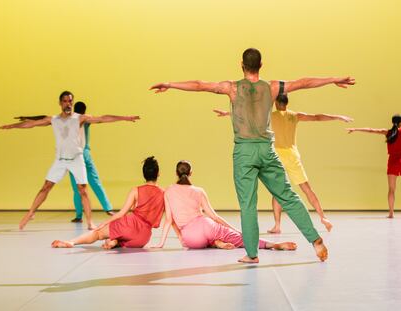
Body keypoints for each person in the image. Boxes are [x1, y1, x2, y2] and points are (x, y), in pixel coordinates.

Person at [150, 48, 355, 263]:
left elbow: (200, 85)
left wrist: (170, 84)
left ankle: (252, 254)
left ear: (241, 65)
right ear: (261, 65)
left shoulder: (232, 88)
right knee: (288, 196)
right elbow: (303, 82)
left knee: (248, 204)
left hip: (245, 152)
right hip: (267, 149)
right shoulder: (272, 87)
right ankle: (315, 240)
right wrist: (333, 79)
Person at [0, 91, 140, 230]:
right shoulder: (53, 119)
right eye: (65, 101)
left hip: (76, 159)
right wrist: (12, 126)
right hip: (60, 160)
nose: (68, 104)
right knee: (46, 187)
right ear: (60, 103)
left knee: (83, 190)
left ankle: (90, 222)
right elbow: (31, 124)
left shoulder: (80, 118)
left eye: (70, 101)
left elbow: (103, 118)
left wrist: (124, 118)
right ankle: (30, 213)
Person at [213, 93, 353, 234]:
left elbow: (248, 116)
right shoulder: (294, 115)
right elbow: (316, 117)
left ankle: (277, 225)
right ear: (287, 103)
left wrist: (227, 113)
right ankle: (323, 218)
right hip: (292, 156)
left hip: (277, 155)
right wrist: (338, 117)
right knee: (306, 188)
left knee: (278, 190)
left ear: (275, 103)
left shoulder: (270, 116)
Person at [152, 160, 297, 252]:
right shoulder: (199, 191)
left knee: (201, 240)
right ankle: (272, 245)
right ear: (191, 173)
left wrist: (161, 243)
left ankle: (215, 243)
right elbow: (214, 217)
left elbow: (169, 220)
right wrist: (236, 231)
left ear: (176, 173)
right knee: (240, 240)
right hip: (206, 225)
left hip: (190, 238)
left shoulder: (168, 190)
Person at [15, 101, 115, 222]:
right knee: (94, 183)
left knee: (77, 188)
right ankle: (107, 209)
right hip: (82, 154)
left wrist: (28, 118)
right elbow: (103, 118)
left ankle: (79, 215)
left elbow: (44, 117)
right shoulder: (84, 119)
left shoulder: (74, 120)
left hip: (74, 155)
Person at [52, 156, 167, 249]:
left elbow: (121, 213)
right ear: (158, 174)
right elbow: (169, 217)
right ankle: (114, 241)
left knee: (98, 233)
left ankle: (72, 242)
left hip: (130, 225)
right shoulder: (163, 193)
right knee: (122, 238)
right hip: (143, 237)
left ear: (144, 174)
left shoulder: (136, 190)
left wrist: (104, 223)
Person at [347, 114, 401, 218]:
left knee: (391, 189)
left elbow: (371, 130)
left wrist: (356, 129)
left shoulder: (389, 133)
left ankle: (391, 213)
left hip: (392, 161)